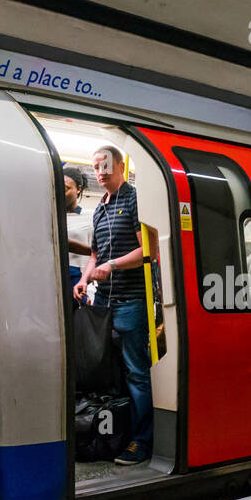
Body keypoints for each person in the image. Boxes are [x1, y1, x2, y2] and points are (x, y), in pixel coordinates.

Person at [74, 145, 152, 466]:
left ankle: (142, 441)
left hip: (131, 301)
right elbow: (95, 255)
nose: (101, 171)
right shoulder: (100, 208)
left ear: (120, 165)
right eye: (96, 167)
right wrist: (85, 279)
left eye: (106, 165)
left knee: (136, 373)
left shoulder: (134, 199)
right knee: (112, 373)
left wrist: (114, 265)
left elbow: (148, 250)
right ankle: (117, 434)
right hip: (104, 303)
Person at [63, 164, 93, 298]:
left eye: (65, 189)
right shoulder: (49, 217)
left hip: (78, 275)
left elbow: (97, 250)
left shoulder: (90, 217)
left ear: (78, 189)